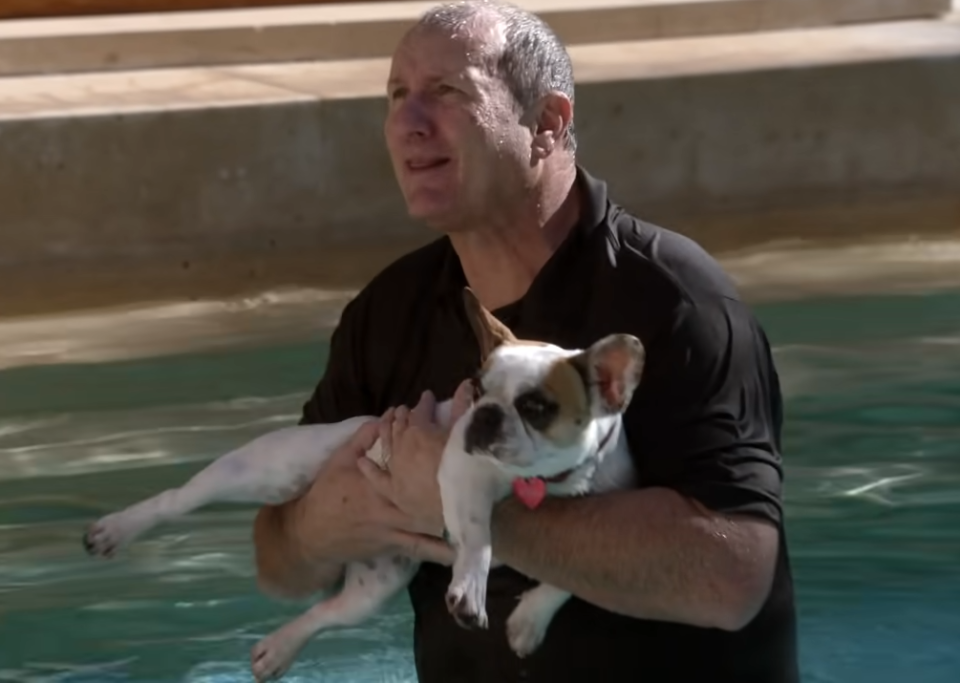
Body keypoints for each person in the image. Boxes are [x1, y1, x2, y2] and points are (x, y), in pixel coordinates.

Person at [252, 1, 799, 681]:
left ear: (547, 123)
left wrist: (468, 512)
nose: (408, 121)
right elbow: (277, 561)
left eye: (446, 92)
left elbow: (733, 574)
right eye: (396, 94)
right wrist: (322, 523)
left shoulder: (674, 300)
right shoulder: (387, 314)